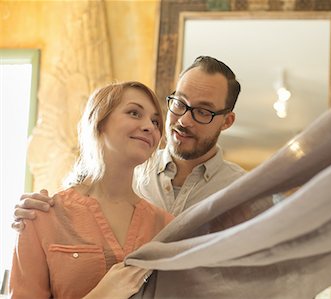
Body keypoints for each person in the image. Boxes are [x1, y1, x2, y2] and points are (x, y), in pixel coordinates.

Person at [12, 56, 246, 229]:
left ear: (227, 121)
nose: (184, 120)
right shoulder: (126, 170)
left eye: (203, 112)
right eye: (179, 104)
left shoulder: (244, 193)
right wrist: (36, 214)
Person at [9, 81, 174, 298]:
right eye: (134, 113)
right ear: (99, 122)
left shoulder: (166, 226)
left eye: (155, 121)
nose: (150, 127)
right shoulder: (41, 216)